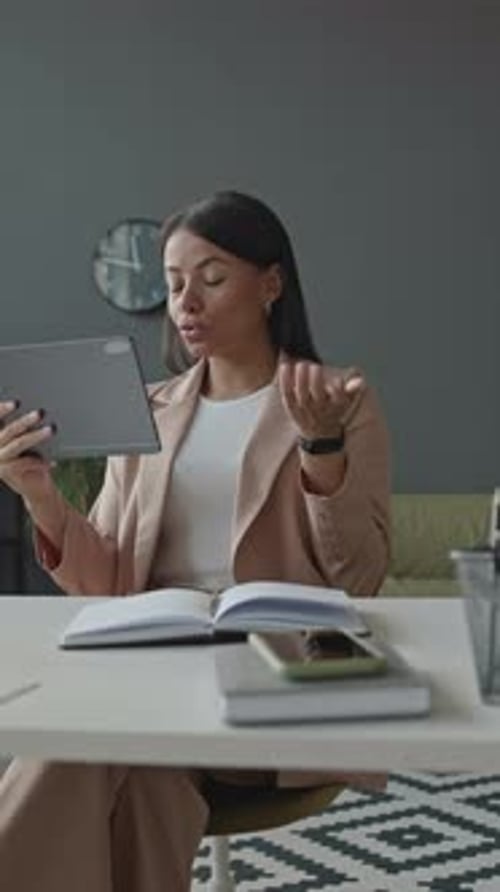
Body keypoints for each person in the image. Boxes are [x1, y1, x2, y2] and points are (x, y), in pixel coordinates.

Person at [0, 190, 390, 892]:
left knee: (74, 744)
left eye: (211, 278)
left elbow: (358, 579)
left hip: (271, 682)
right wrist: (41, 497)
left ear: (270, 284)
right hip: (150, 668)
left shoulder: (340, 400)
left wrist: (322, 450)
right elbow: (109, 585)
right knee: (149, 789)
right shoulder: (150, 407)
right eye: (174, 283)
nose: (187, 302)